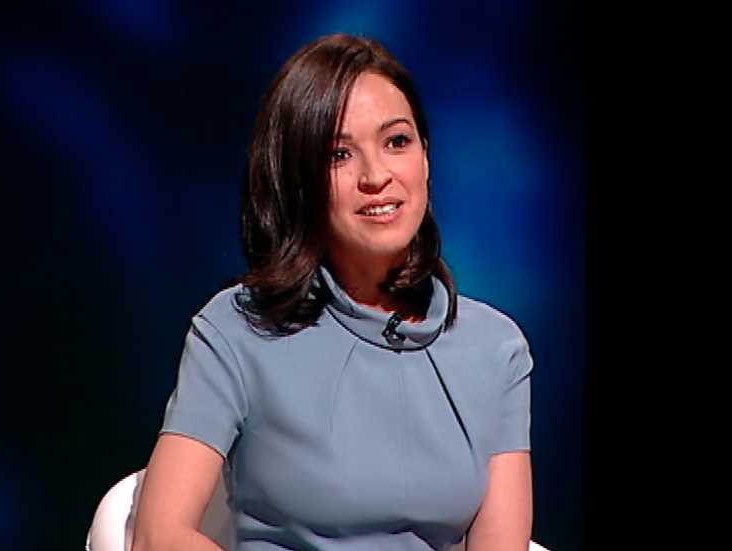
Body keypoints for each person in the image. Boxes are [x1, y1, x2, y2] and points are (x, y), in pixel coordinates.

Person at [133, 33, 534, 551]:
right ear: (296, 179)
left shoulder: (496, 348)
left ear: (426, 158)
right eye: (339, 154)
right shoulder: (236, 329)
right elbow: (159, 534)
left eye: (396, 142)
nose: (377, 176)